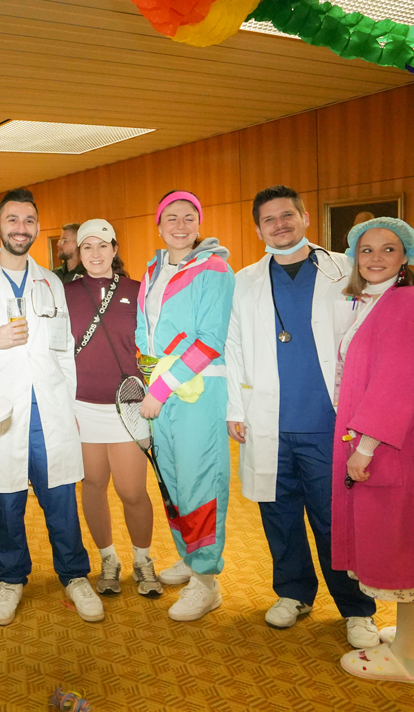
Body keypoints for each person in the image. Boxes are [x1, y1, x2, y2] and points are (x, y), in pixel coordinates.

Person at [224, 185, 378, 647]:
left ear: (305, 218)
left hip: (328, 420)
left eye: (287, 215)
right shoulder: (245, 280)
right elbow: (232, 346)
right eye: (269, 219)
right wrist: (234, 407)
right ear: (258, 229)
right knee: (279, 513)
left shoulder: (343, 268)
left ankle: (357, 608)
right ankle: (293, 592)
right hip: (268, 418)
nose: (280, 225)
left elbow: (368, 337)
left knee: (335, 519)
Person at [0, 188, 103, 626]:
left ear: (36, 228)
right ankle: (11, 579)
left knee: (62, 500)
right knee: (6, 503)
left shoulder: (50, 282)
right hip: (1, 412)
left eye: (29, 220)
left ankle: (74, 575)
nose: (21, 228)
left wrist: (69, 408)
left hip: (49, 411)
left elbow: (65, 351)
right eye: (13, 220)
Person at [332, 217, 414, 685]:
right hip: (395, 440)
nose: (376, 258)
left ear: (407, 256)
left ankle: (404, 660)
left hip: (397, 444)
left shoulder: (407, 303)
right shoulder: (379, 301)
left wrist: (365, 447)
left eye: (388, 249)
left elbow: (395, 383)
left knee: (411, 547)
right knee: (413, 542)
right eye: (366, 250)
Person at [136, 190, 234, 622]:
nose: (180, 225)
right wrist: (149, 377)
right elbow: (143, 331)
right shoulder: (153, 269)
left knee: (200, 484)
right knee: (173, 482)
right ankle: (190, 557)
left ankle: (207, 581)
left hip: (198, 391)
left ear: (199, 224)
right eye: (171, 218)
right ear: (159, 226)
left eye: (188, 217)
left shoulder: (215, 270)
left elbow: (210, 340)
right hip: (160, 392)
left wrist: (159, 389)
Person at [63, 219, 158, 597]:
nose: (96, 253)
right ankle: (108, 559)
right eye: (87, 247)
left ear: (115, 249)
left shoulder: (138, 291)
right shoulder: (65, 293)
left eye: (103, 246)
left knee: (132, 491)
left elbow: (152, 347)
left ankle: (143, 560)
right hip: (82, 406)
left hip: (128, 407)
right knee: (93, 485)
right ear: (78, 253)